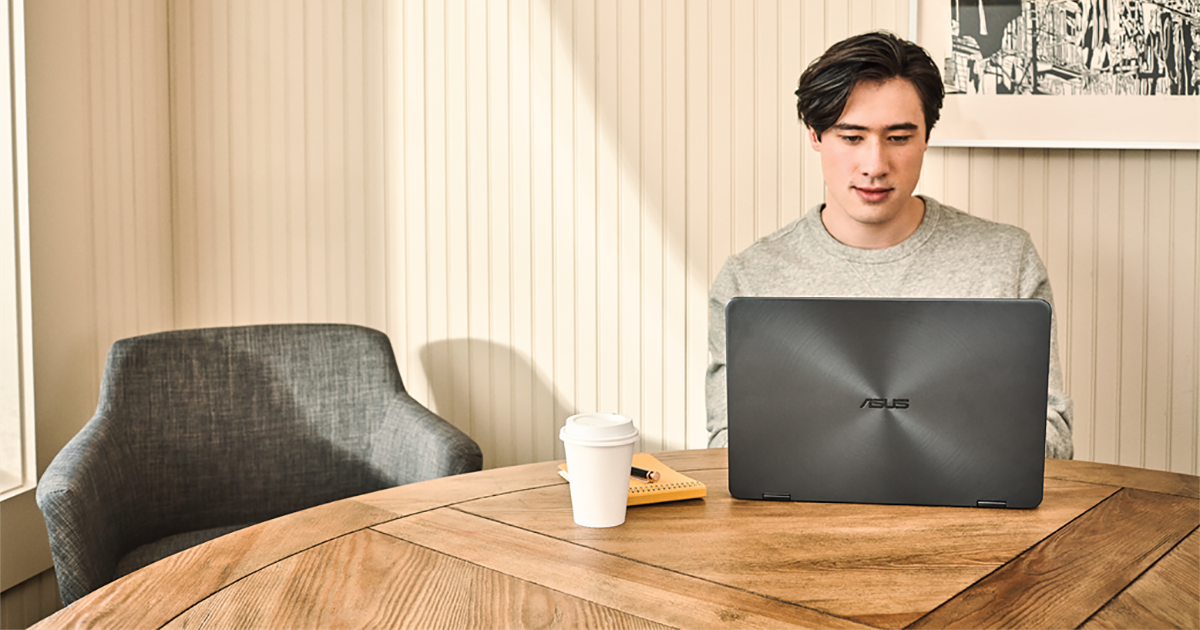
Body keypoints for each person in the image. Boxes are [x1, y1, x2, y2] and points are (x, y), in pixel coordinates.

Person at [705, 31, 1073, 458]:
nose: (875, 165)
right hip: (804, 502)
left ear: (926, 137)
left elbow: (1053, 437)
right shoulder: (750, 279)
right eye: (851, 137)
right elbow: (728, 447)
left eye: (898, 138)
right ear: (815, 136)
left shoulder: (1006, 260)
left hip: (965, 501)